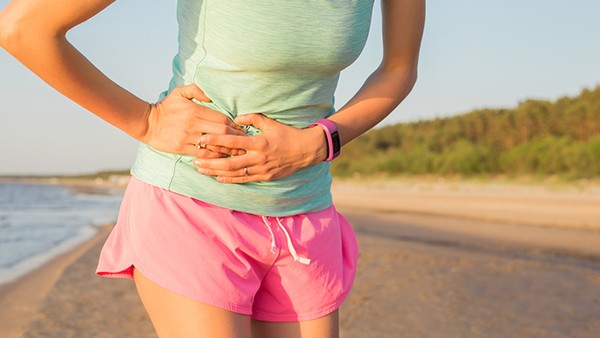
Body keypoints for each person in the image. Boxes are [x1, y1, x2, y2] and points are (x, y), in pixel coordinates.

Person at [0, 0, 425, 337]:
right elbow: (23, 28)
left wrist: (321, 141)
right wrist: (144, 121)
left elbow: (398, 69)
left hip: (303, 213)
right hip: (192, 204)